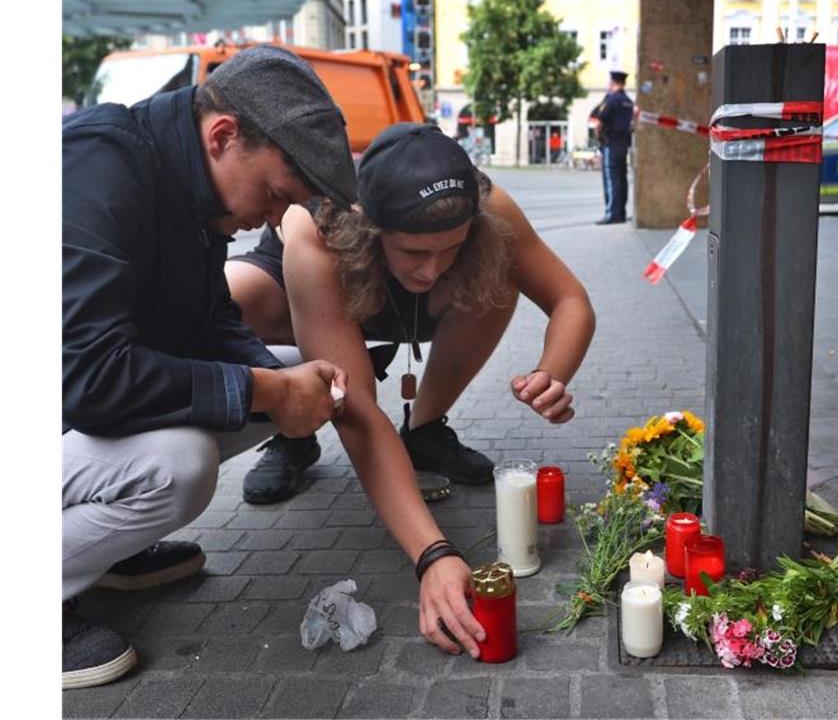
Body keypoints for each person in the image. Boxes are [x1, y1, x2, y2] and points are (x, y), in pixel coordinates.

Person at [63, 45, 351, 689]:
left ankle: (106, 553)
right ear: (222, 136)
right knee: (180, 467)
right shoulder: (95, 168)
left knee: (290, 368)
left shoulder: (188, 185)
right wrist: (264, 389)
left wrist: (280, 387)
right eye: (278, 194)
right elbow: (86, 379)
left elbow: (212, 323)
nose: (277, 219)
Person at [225, 122, 595, 514]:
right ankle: (293, 428)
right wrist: (429, 548)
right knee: (231, 298)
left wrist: (551, 374)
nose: (431, 270)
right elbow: (359, 408)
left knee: (500, 273)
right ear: (370, 227)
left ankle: (424, 429)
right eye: (415, 252)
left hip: (419, 307)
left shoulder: (489, 205)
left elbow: (570, 299)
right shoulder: (318, 221)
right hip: (312, 291)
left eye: (452, 247)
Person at [594, 70, 635, 225]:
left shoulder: (611, 100)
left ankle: (612, 214)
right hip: (623, 145)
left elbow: (599, 122)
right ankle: (621, 213)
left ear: (612, 82)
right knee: (621, 179)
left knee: (611, 179)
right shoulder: (628, 101)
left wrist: (598, 138)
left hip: (610, 144)